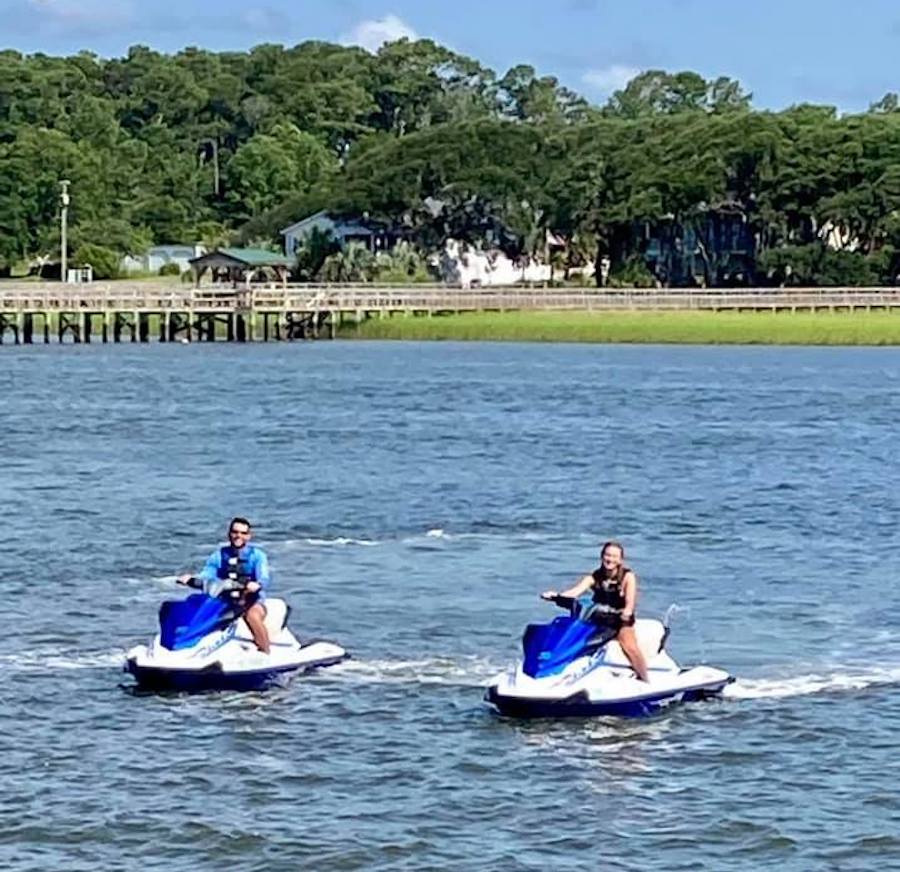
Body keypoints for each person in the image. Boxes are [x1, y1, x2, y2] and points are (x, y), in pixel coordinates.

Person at [541, 540, 649, 682]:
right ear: (602, 556)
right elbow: (575, 591)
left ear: (620, 560)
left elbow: (630, 602)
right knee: (576, 640)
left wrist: (627, 612)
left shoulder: (628, 577)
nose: (610, 559)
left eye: (614, 556)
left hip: (620, 621)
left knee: (629, 646)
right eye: (607, 555)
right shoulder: (594, 577)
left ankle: (644, 678)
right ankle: (560, 674)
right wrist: (556, 596)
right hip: (601, 620)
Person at [178, 517, 271, 654]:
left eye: (243, 533)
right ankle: (183, 647)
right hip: (227, 601)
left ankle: (265, 651)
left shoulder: (257, 556)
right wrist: (191, 580)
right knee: (194, 607)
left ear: (248, 536)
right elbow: (208, 574)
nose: (238, 536)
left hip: (251, 601)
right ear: (229, 534)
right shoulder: (219, 556)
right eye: (235, 532)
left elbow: (264, 577)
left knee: (251, 615)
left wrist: (258, 584)